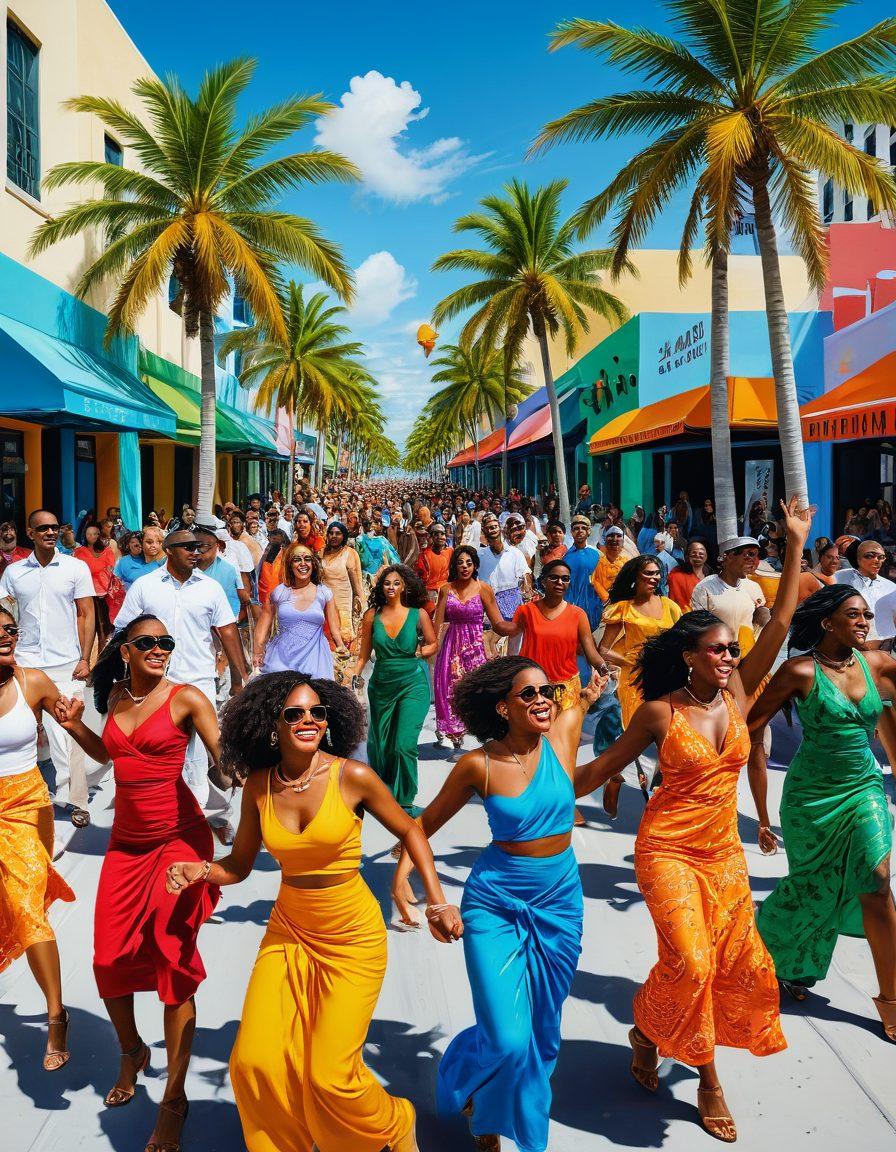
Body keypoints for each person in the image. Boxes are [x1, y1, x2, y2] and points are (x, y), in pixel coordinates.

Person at [574, 497, 812, 1141]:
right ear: (689, 657)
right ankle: (709, 1082)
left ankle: (647, 1031)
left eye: (732, 649)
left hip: (723, 853)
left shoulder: (739, 691)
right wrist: (538, 792)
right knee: (695, 963)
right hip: (668, 850)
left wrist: (794, 544)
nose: (729, 658)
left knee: (737, 966)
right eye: (716, 651)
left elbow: (782, 616)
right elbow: (599, 770)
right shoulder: (658, 712)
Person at [165, 673, 462, 1152]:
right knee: (253, 1060)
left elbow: (411, 831)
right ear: (272, 725)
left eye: (318, 712)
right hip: (289, 932)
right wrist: (199, 871)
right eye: (295, 713)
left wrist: (437, 900)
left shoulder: (352, 776)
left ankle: (394, 1121)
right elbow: (238, 866)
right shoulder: (259, 786)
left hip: (352, 938)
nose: (309, 720)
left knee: (331, 1074)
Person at [393, 657, 604, 1152]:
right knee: (508, 1038)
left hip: (560, 901)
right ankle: (475, 1091)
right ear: (502, 708)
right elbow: (421, 825)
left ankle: (488, 1106)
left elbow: (589, 714)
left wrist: (595, 694)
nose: (541, 701)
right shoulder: (478, 764)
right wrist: (406, 878)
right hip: (495, 903)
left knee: (544, 1035)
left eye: (546, 692)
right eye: (527, 694)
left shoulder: (564, 733)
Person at [56, 616, 222, 1151]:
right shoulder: (116, 696)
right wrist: (73, 725)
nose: (158, 649)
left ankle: (174, 1100)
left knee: (172, 960)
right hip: (126, 847)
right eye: (147, 643)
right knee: (108, 959)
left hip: (178, 839)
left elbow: (223, 762)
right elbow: (110, 755)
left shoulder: (188, 698)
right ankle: (132, 1051)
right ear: (126, 650)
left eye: (166, 643)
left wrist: (240, 766)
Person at [748, 586, 896, 1038]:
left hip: (863, 789)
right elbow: (748, 725)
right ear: (828, 623)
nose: (865, 622)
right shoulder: (799, 671)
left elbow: (889, 722)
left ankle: (891, 999)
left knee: (878, 879)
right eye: (853, 615)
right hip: (811, 799)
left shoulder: (881, 666)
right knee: (813, 888)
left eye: (867, 615)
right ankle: (774, 959)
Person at [113, 529, 248, 823]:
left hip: (197, 681)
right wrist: (117, 676)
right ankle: (159, 810)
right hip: (153, 684)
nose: (195, 552)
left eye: (197, 547)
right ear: (169, 550)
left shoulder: (210, 588)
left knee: (198, 755)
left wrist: (240, 676)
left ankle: (193, 816)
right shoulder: (145, 586)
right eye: (187, 547)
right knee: (161, 752)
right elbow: (123, 630)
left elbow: (227, 631)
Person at [0, 607, 75, 1070]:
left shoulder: (33, 682)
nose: (5, 637)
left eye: (10, 630)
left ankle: (56, 1015)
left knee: (26, 904)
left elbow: (74, 725)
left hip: (27, 805)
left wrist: (71, 718)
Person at [0, 510, 96, 827]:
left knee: (68, 728)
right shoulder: (14, 573)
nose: (50, 532)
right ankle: (33, 792)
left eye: (55, 527)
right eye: (43, 528)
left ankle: (77, 799)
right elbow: (5, 615)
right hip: (25, 662)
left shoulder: (75, 568)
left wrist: (85, 658)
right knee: (27, 732)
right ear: (31, 532)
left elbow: (86, 614)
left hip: (65, 662)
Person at [352, 565, 436, 814]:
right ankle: (384, 794)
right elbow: (364, 655)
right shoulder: (371, 616)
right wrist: (355, 676)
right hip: (381, 685)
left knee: (404, 744)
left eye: (396, 583)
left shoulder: (418, 614)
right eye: (387, 583)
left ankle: (406, 800)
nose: (391, 587)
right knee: (382, 744)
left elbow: (433, 643)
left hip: (413, 682)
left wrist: (422, 651)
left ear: (404, 587)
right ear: (381, 587)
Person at [432, 546, 505, 749]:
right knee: (449, 687)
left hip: (476, 646)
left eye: (469, 563)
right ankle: (452, 733)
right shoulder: (446, 589)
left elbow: (497, 622)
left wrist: (514, 627)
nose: (464, 566)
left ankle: (481, 730)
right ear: (454, 566)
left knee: (478, 689)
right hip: (452, 646)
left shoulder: (484, 588)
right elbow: (436, 623)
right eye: (460, 563)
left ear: (475, 565)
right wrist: (430, 645)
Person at [254, 543, 347, 678]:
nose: (303, 564)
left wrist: (341, 646)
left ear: (313, 564)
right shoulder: (279, 593)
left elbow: (334, 630)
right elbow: (264, 622)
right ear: (290, 565)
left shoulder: (324, 593)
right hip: (281, 660)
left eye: (307, 559)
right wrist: (258, 652)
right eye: (297, 560)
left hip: (315, 659)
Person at [690, 536, 769, 657]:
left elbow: (760, 622)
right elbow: (699, 629)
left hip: (747, 656)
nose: (753, 561)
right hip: (716, 656)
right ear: (730, 556)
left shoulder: (754, 587)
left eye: (755, 555)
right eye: (749, 554)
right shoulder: (705, 588)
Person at [478, 514, 531, 657]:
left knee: (513, 649)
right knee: (489, 649)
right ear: (484, 530)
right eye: (489, 527)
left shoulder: (515, 553)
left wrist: (527, 591)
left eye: (495, 526)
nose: (492, 529)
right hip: (488, 606)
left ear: (500, 528)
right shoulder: (479, 555)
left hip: (513, 603)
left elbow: (525, 577)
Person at [320, 521, 364, 683]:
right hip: (324, 607)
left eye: (338, 533)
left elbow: (357, 585)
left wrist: (363, 608)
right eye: (331, 533)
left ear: (344, 536)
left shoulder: (349, 554)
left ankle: (346, 684)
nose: (334, 536)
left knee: (344, 648)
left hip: (344, 607)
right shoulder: (321, 553)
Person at [834, 538, 896, 638]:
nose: (877, 561)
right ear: (858, 558)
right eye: (869, 556)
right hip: (849, 640)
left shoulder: (891, 588)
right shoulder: (838, 578)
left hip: (883, 645)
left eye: (881, 557)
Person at [74, 524, 116, 648]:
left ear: (100, 535)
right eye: (89, 534)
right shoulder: (79, 551)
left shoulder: (107, 551)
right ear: (85, 535)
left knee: (104, 628)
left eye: (95, 533)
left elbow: (111, 570)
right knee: (85, 626)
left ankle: (102, 658)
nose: (92, 536)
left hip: (103, 593)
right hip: (85, 592)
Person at [417, 522, 453, 615]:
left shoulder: (450, 551)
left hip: (447, 594)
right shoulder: (424, 556)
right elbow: (421, 579)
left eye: (442, 533)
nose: (440, 537)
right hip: (430, 595)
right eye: (436, 534)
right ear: (432, 537)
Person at [667, 538, 710, 612]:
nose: (697, 555)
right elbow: (674, 603)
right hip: (685, 618)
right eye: (694, 553)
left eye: (701, 553)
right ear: (687, 555)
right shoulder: (676, 576)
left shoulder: (711, 576)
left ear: (706, 556)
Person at [591, 525, 627, 603]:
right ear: (605, 541)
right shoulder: (596, 561)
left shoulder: (627, 563)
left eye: (618, 536)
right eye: (611, 536)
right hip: (599, 605)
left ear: (623, 541)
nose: (614, 539)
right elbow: (594, 581)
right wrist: (607, 599)